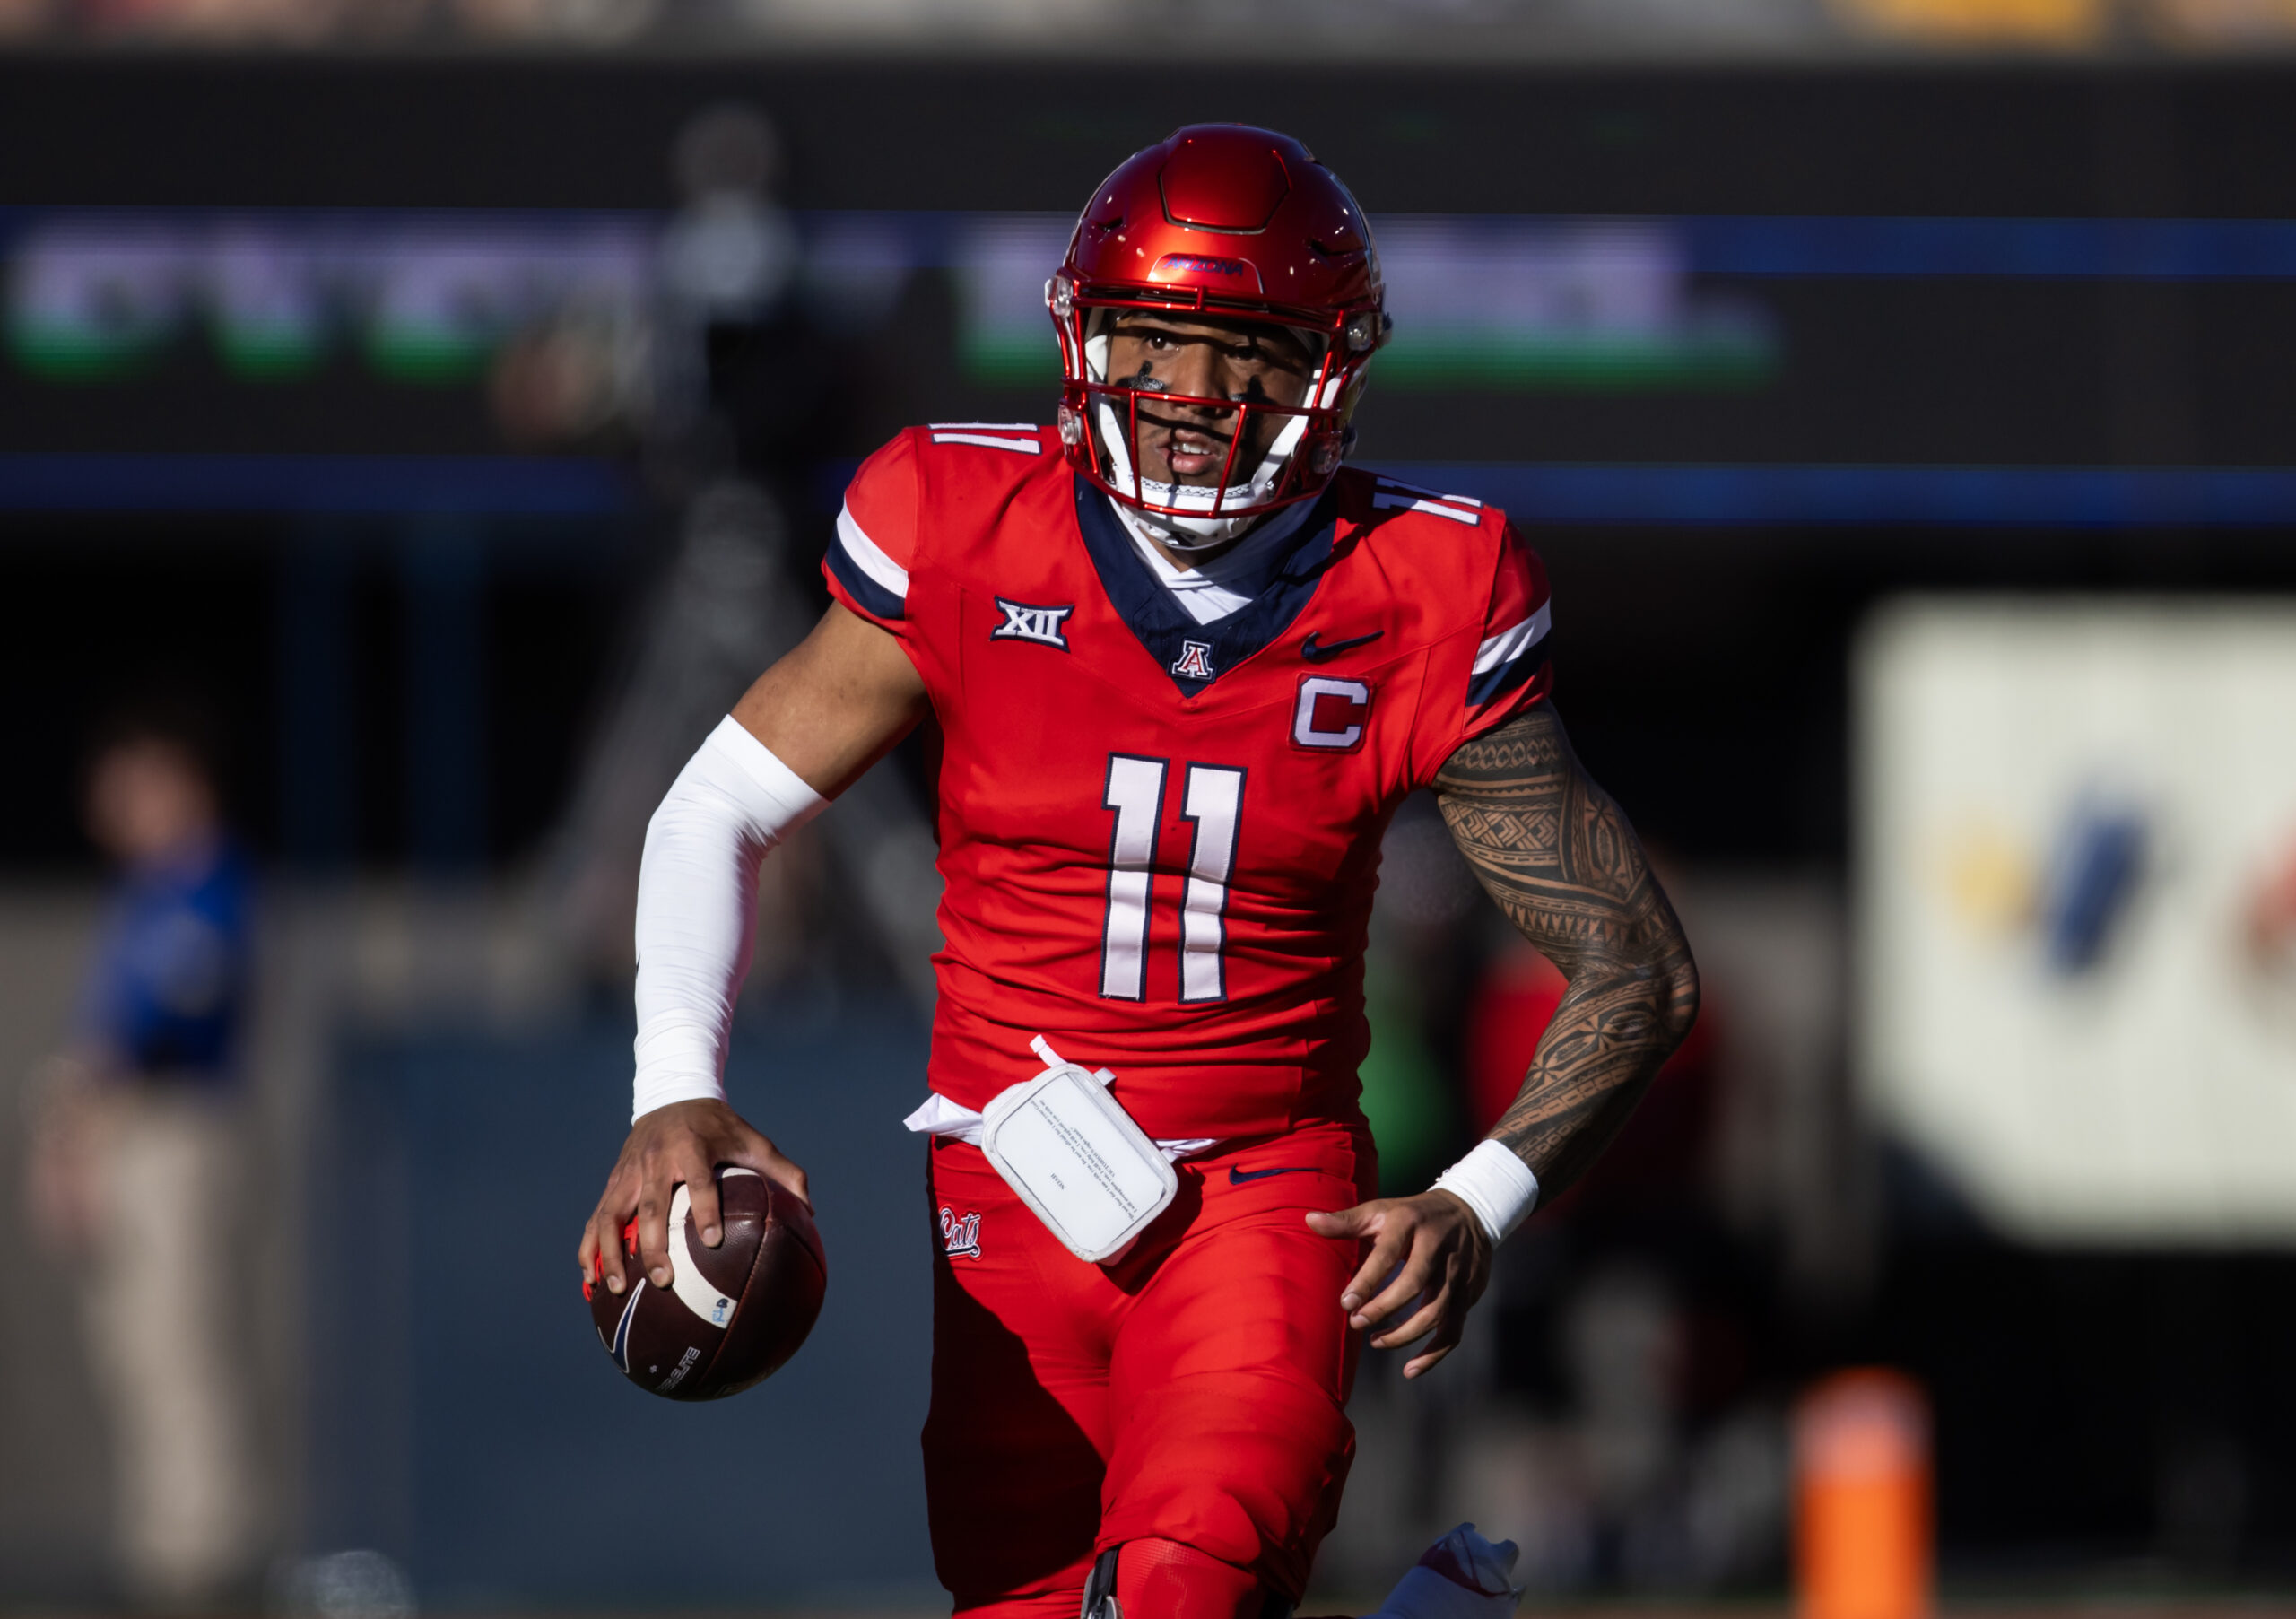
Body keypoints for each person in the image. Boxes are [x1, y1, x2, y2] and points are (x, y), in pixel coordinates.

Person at [578, 126, 1699, 1619]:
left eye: (1248, 351)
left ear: (1331, 370)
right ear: (1081, 337)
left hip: (1259, 1194)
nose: (1190, 394)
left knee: (1177, 1588)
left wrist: (1479, 1198)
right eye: (1155, 341)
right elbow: (715, 806)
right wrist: (674, 1088)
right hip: (998, 1200)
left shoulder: (1423, 590)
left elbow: (1636, 964)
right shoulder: (965, 525)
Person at [25, 709, 259, 1605]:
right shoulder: (144, 892)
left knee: (178, 1349)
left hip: (173, 1131)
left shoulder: (206, 886)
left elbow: (156, 1024)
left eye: (137, 782)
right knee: (134, 1354)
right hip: (126, 1134)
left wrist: (81, 1105)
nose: (116, 803)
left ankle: (197, 1561)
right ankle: (165, 1547)